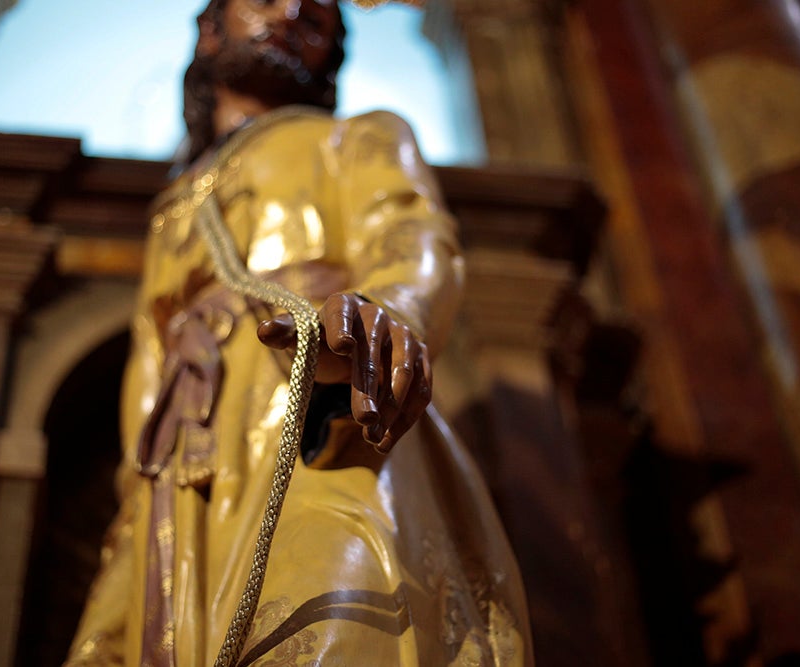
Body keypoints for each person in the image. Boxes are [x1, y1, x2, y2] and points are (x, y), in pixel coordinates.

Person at [66, 0, 533, 664]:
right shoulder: (174, 210)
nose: (289, 13)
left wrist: (387, 313)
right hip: (191, 466)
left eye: (316, 19)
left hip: (328, 408)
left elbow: (412, 236)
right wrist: (136, 501)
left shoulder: (358, 137)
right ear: (209, 29)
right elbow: (151, 356)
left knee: (335, 613)